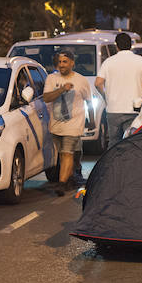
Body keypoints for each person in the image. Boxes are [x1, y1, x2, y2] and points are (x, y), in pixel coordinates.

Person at [44, 50, 94, 195]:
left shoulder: (81, 80)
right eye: (60, 62)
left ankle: (61, 184)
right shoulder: (51, 79)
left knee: (67, 153)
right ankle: (70, 178)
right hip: (56, 125)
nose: (61, 65)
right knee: (62, 154)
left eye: (65, 62)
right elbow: (46, 98)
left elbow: (89, 101)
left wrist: (91, 120)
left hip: (74, 125)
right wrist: (61, 90)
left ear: (72, 63)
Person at [94, 32, 142, 142]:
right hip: (134, 109)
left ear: (116, 46)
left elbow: (98, 83)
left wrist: (106, 97)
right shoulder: (141, 61)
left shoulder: (108, 62)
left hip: (113, 109)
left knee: (114, 143)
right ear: (131, 45)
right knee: (131, 143)